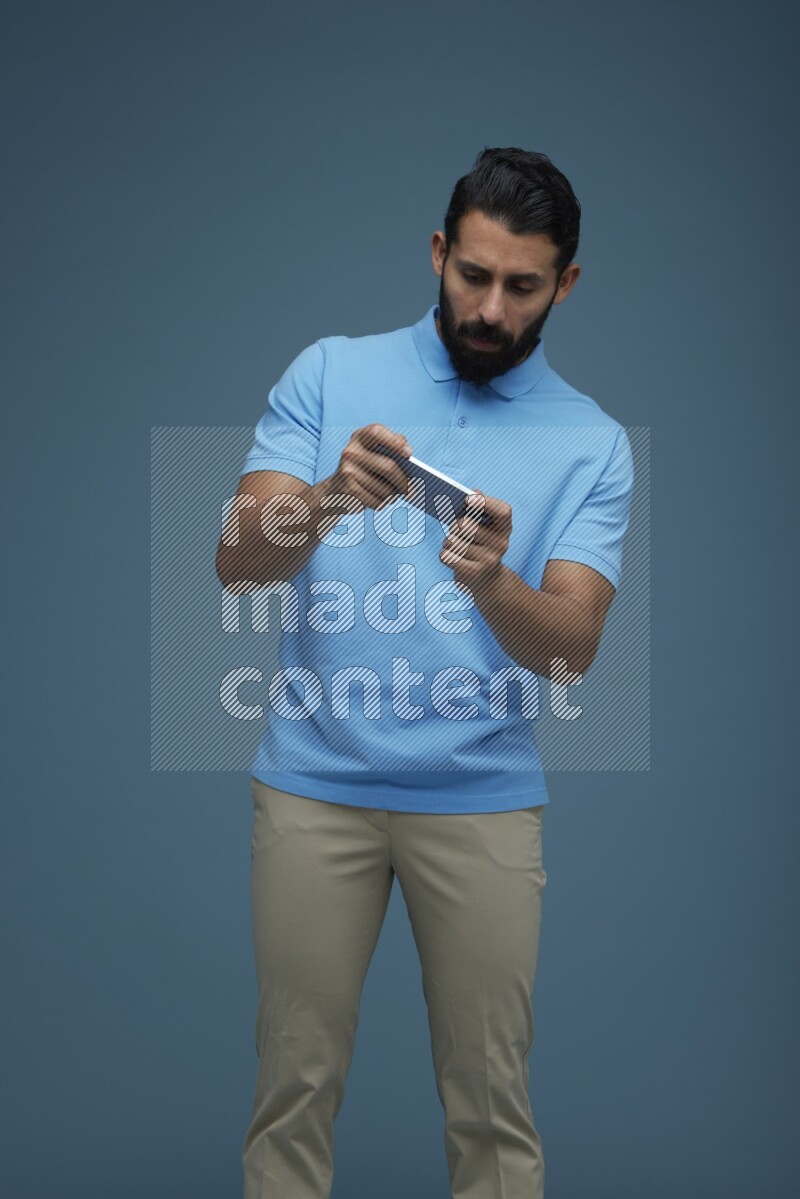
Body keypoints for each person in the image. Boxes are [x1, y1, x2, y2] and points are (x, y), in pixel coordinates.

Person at [217, 146, 634, 1199]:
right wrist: (324, 497)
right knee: (292, 1091)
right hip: (314, 787)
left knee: (491, 1107)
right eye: (472, 275)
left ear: (563, 285)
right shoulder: (328, 372)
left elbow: (570, 649)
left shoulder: (591, 443)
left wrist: (496, 584)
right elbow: (235, 563)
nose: (489, 308)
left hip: (482, 802)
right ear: (439, 252)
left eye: (521, 286)